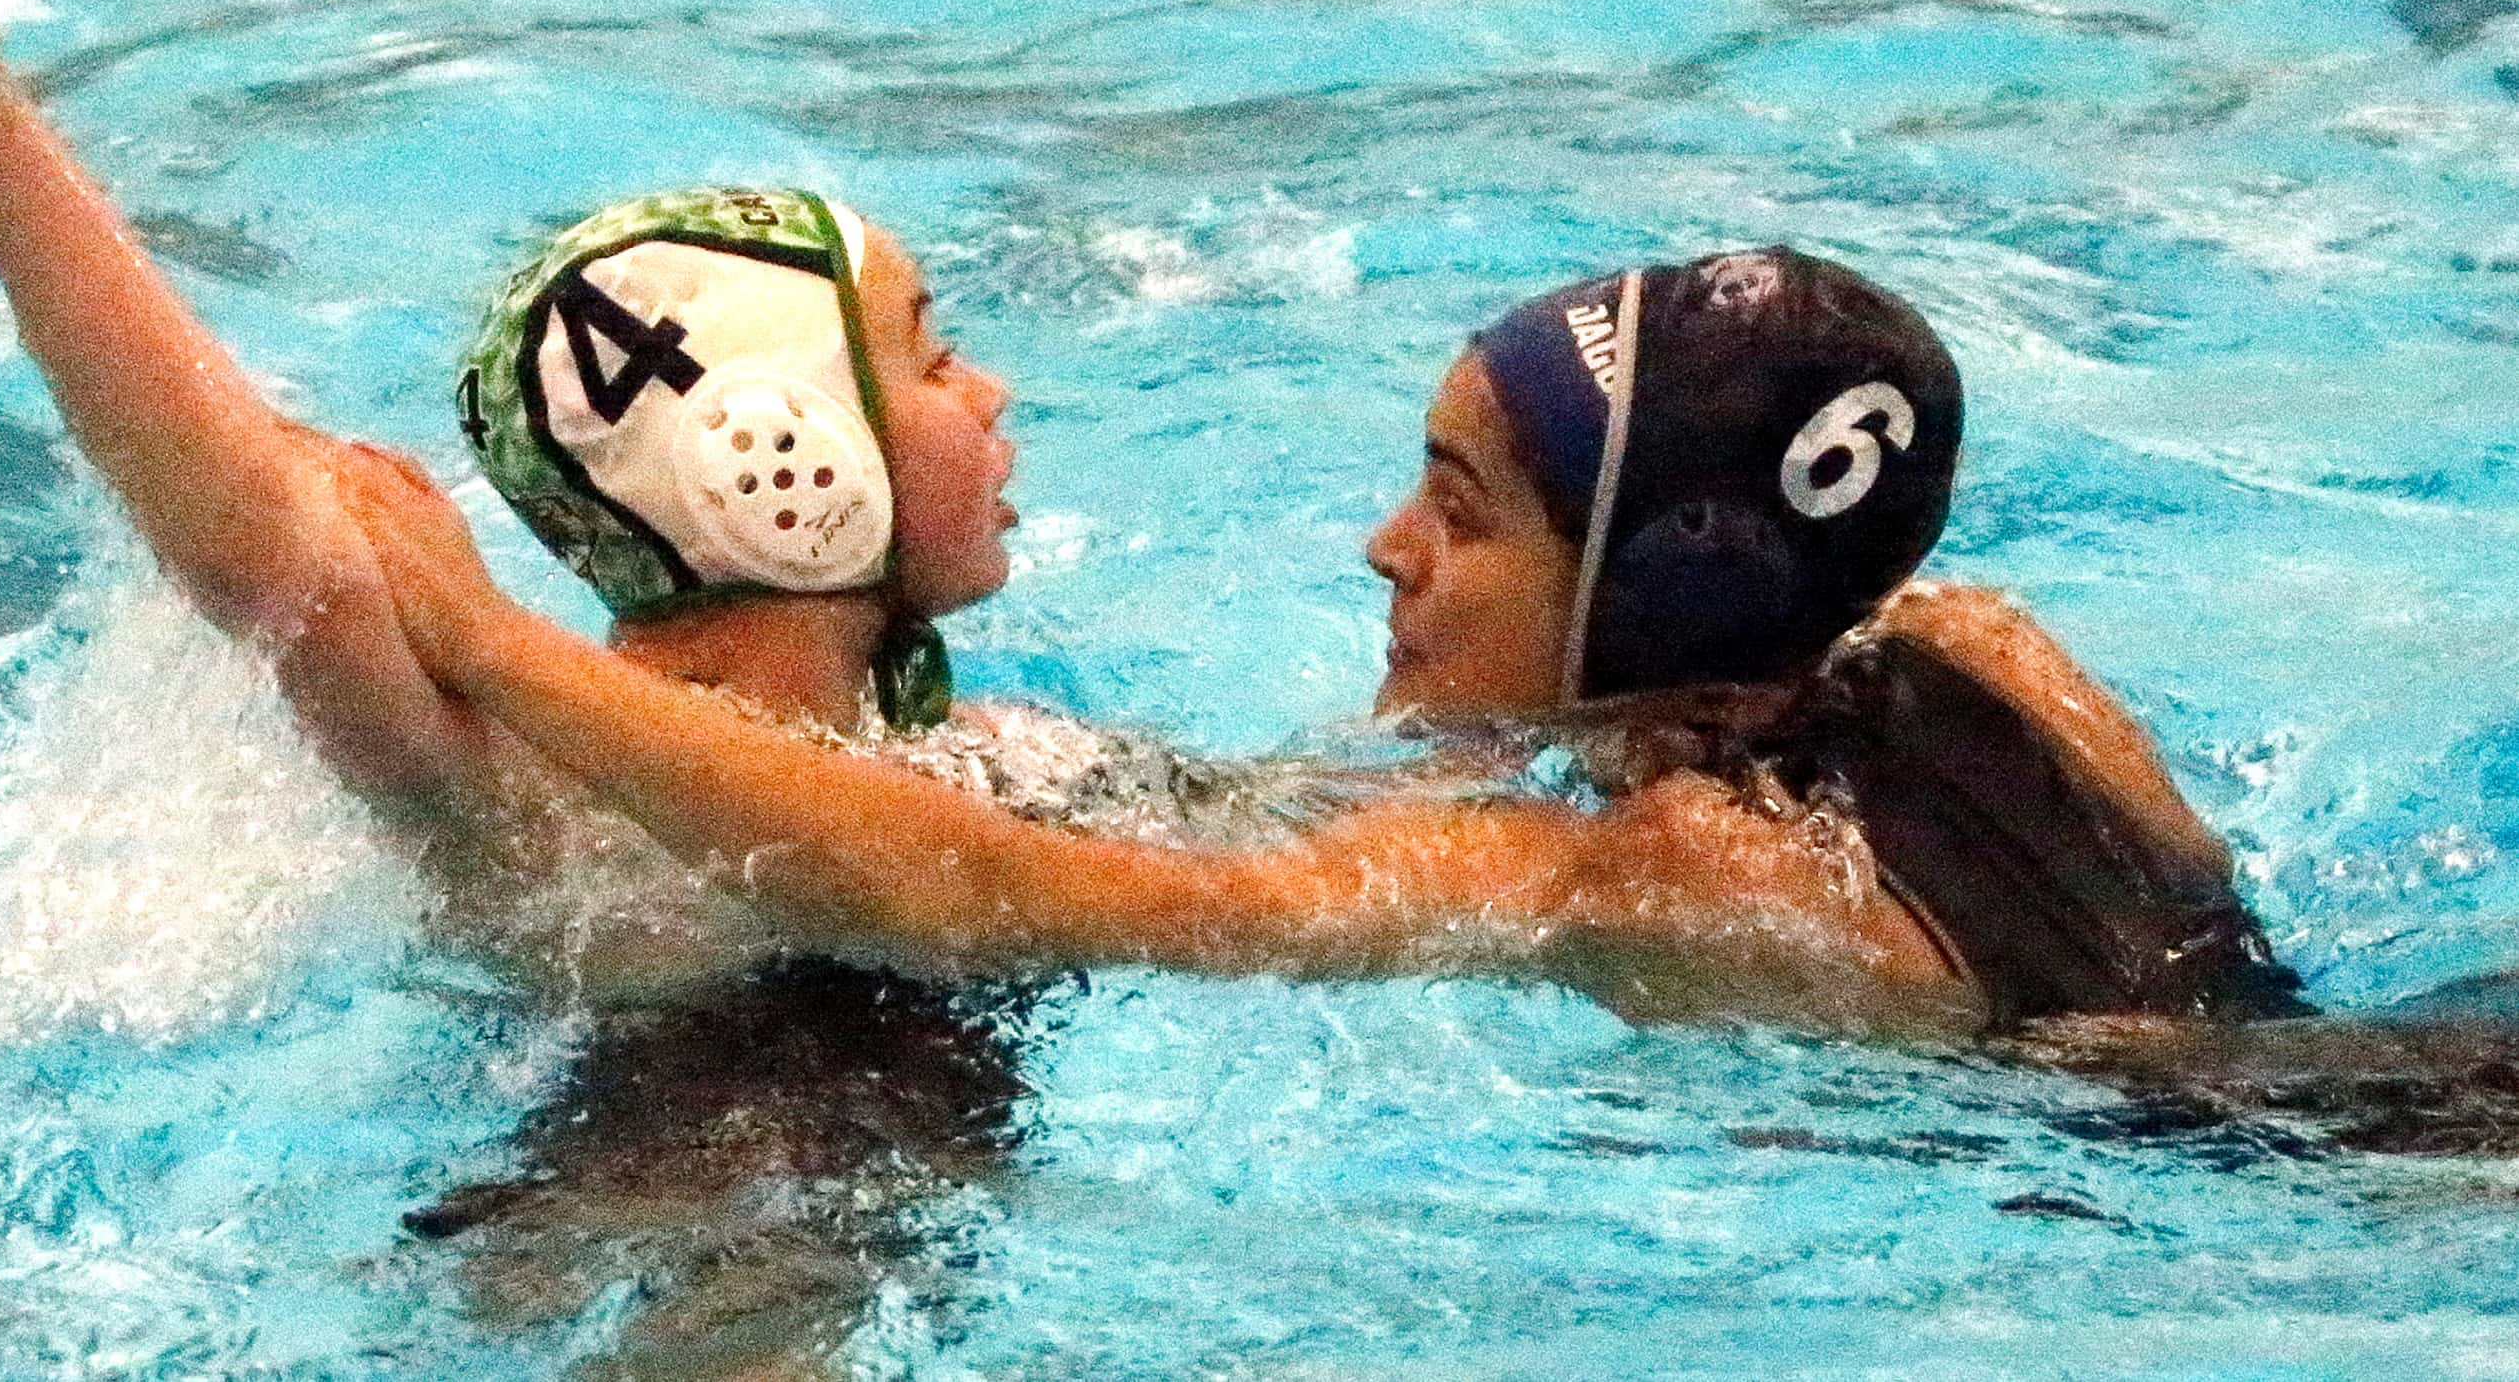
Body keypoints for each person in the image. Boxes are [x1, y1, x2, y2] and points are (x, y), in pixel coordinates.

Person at [0, 0, 1038, 1379]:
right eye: (930, 354)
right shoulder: (560, 806)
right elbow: (255, 551)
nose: (991, 394)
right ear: (782, 454)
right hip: (677, 1274)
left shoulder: (989, 762)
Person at [353, 250, 2311, 1039]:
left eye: (1461, 515)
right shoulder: (1987, 652)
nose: (1386, 550)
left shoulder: (1648, 870)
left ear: (1656, 604)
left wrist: (496, 650)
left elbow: (976, 893)